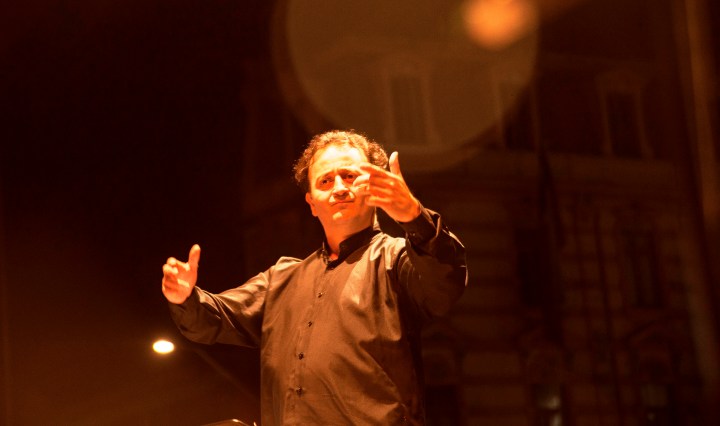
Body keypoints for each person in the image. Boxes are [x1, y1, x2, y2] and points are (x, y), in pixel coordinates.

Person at [161, 130, 467, 425]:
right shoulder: (281, 280)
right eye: (326, 180)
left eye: (350, 176)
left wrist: (415, 216)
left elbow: (445, 282)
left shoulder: (397, 258)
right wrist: (185, 296)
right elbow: (210, 319)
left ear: (374, 187)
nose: (339, 187)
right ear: (311, 204)